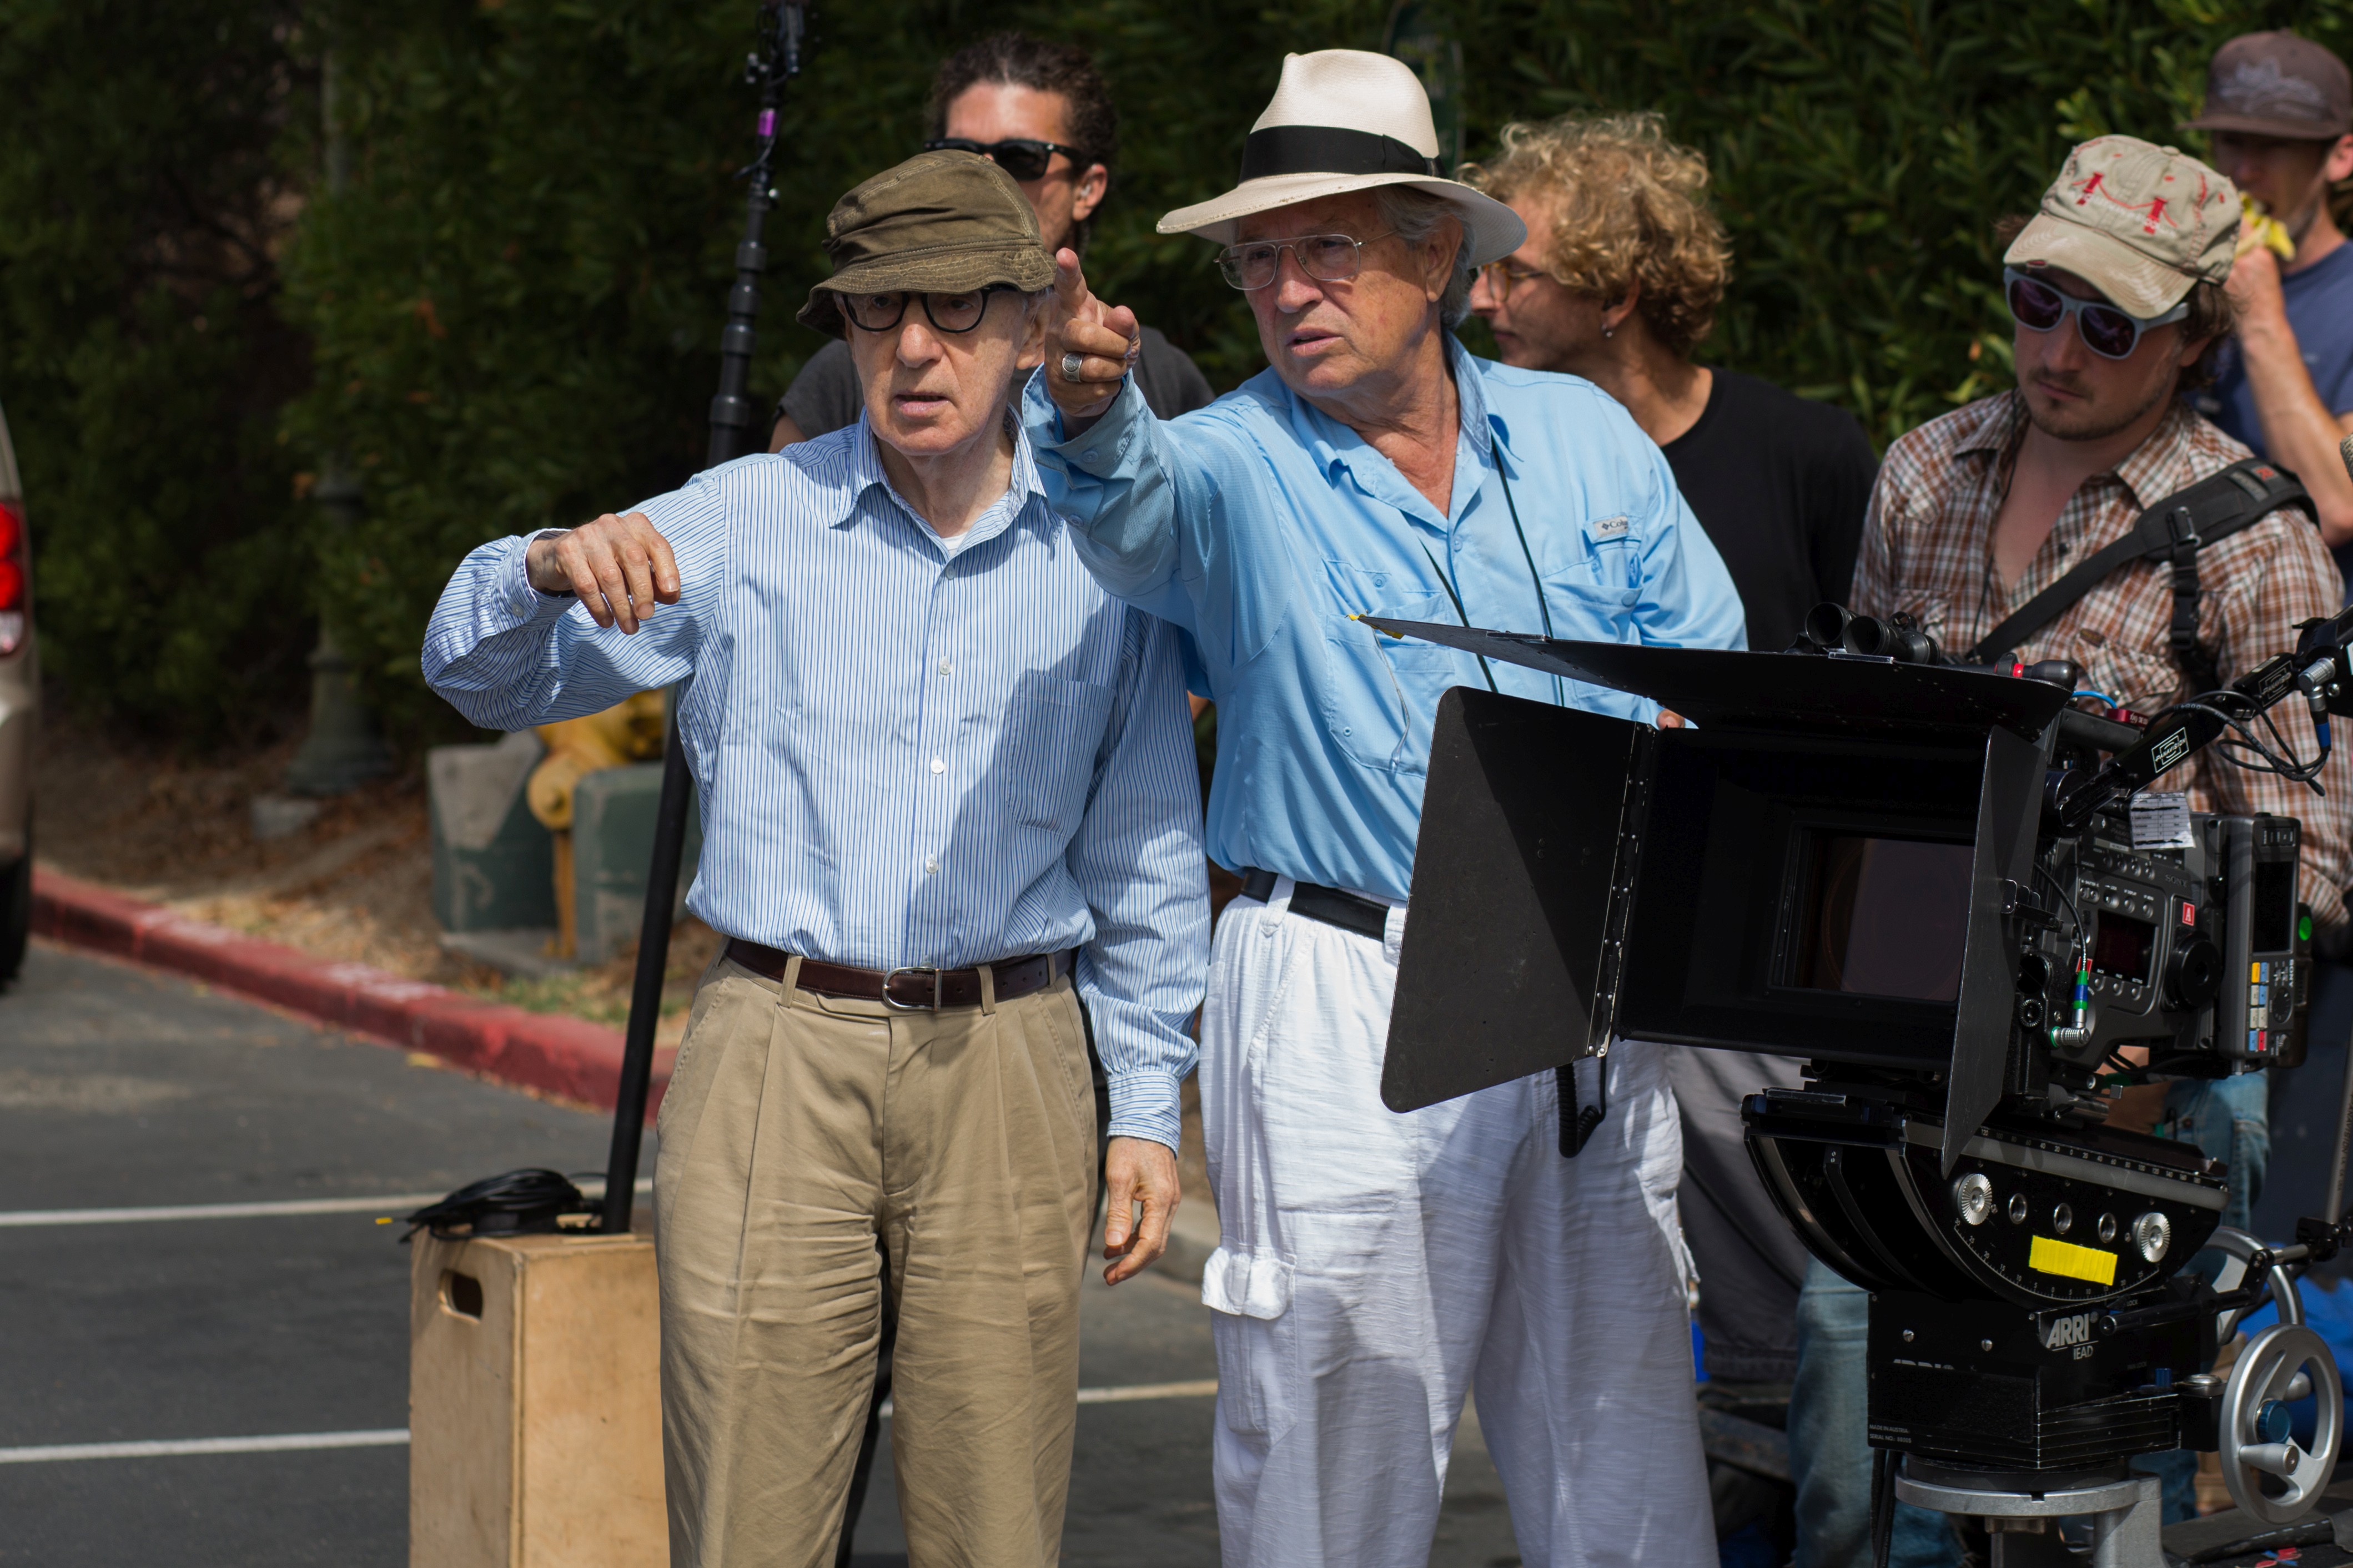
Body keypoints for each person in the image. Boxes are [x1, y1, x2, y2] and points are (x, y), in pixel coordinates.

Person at [422, 152, 1209, 1567]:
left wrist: (1145, 1100)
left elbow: (1145, 841)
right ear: (843, 328)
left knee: (995, 1521)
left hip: (1013, 1054)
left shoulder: (1105, 543)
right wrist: (539, 564)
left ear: (1030, 323)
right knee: (750, 1511)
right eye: (877, 310)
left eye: (956, 307)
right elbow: (478, 679)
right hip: (776, 1048)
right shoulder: (746, 518)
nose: (914, 348)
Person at [1029, 49, 1743, 1568]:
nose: (1286, 288)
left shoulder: (1579, 436)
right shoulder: (1224, 461)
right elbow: (1129, 509)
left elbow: (1704, 676)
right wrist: (1085, 412)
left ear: (1436, 257)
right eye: (1257, 258)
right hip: (1347, 979)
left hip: (1583, 975)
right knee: (1328, 1466)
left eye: (1326, 247)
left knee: (1621, 1462)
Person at [1814, 134, 2352, 1561]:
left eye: (2109, 324)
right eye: (2036, 301)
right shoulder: (1923, 471)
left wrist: (2148, 1041)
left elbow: (2307, 857)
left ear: (2189, 336)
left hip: (2138, 1090)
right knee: (1858, 1457)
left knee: (2101, 1474)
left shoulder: (2249, 536)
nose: (2057, 349)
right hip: (1909, 1045)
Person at [1461, 110, 1878, 1425]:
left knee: (1809, 1284)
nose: (1480, 302)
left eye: (1515, 273)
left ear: (1616, 296)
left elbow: (1871, 705)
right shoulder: (1488, 459)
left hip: (1764, 954)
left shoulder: (1804, 454)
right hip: (1560, 929)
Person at [772, 32, 1214, 448]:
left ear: (1087, 188)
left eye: (1020, 158)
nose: (984, 183)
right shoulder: (854, 370)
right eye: (958, 157)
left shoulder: (1161, 376)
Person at [2183, 31, 2353, 576]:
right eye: (2231, 141)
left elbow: (2337, 505)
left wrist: (2258, 321)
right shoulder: (2180, 283)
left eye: (2274, 146)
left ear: (2341, 156)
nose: (2244, 171)